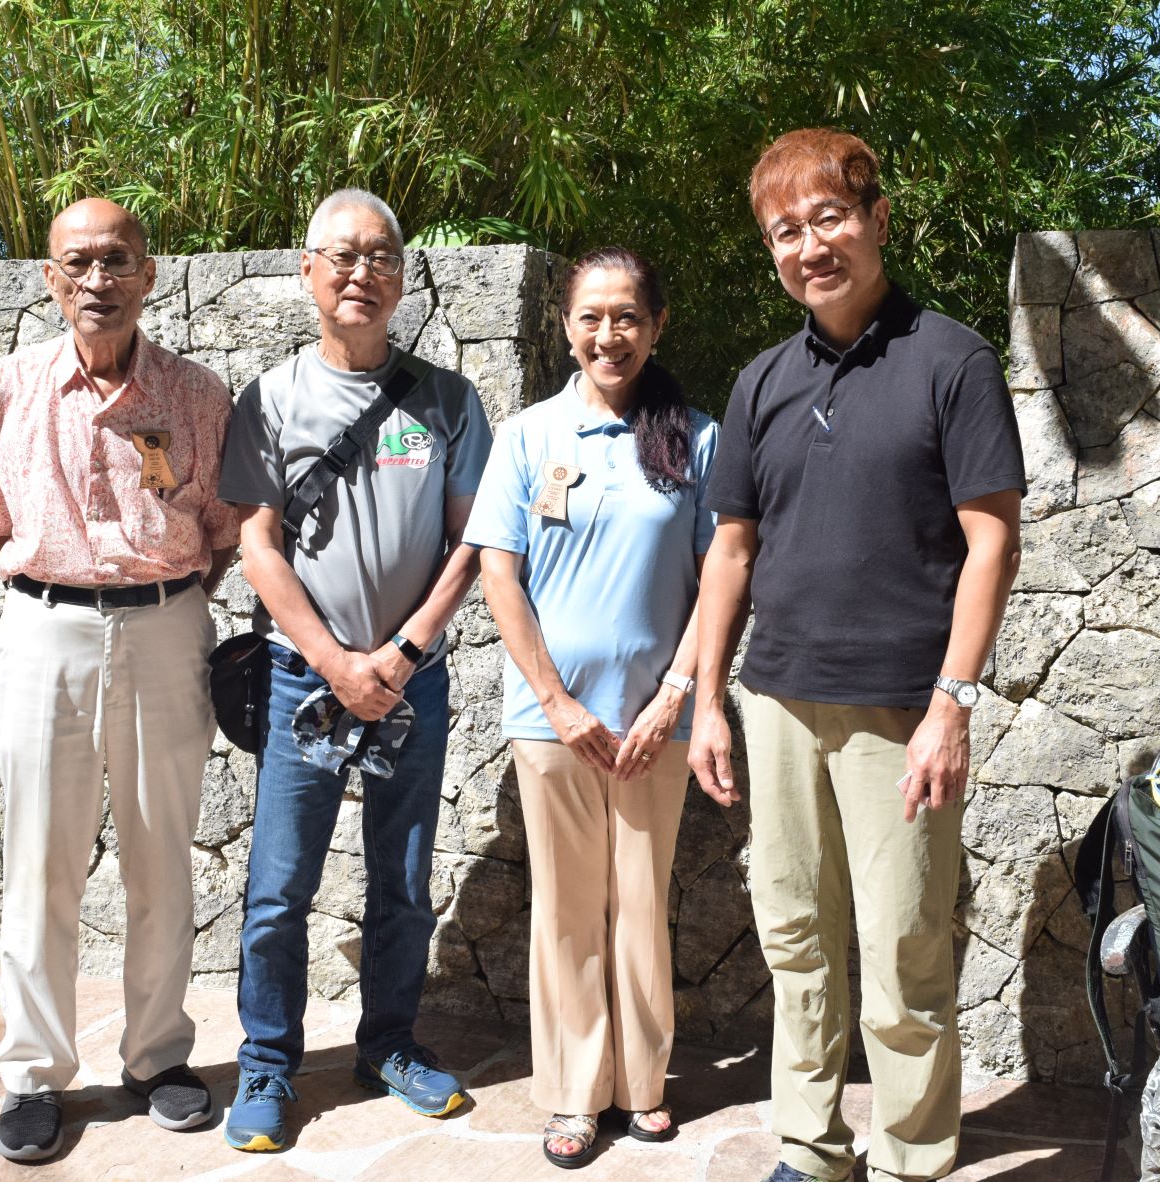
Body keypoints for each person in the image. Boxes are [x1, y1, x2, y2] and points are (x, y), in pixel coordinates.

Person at [688, 129, 1024, 1182]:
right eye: (787, 230)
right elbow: (730, 551)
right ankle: (811, 1150)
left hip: (899, 716)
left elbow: (992, 539)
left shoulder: (953, 359)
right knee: (794, 944)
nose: (810, 244)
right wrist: (707, 700)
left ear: (878, 220)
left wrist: (952, 703)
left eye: (830, 217)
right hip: (779, 704)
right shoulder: (761, 382)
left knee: (906, 957)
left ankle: (913, 1160)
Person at [0, 198, 240, 1162]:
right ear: (48, 278)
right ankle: (34, 1072)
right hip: (44, 631)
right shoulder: (1, 390)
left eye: (116, 260)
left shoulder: (200, 396)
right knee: (39, 863)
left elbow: (222, 532)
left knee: (164, 857)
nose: (97, 281)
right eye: (76, 263)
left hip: (167, 630)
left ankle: (158, 1056)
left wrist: (157, 599)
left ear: (149, 273)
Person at [217, 188, 492, 1151]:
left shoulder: (449, 401)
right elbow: (256, 545)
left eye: (379, 256)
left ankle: (388, 1044)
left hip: (413, 678)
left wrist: (403, 653)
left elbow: (471, 544)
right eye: (340, 255)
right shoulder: (271, 398)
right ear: (306, 272)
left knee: (404, 880)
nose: (359, 272)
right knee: (279, 886)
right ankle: (266, 1065)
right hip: (304, 680)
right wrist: (337, 663)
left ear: (403, 275)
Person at [465, 247, 718, 1168]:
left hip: (656, 723)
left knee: (641, 904)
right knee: (567, 910)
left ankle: (642, 1082)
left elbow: (719, 585)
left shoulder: (696, 437)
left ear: (654, 327)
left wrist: (675, 697)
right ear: (565, 329)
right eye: (590, 317)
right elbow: (499, 572)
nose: (608, 334)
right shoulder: (528, 436)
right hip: (553, 725)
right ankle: (574, 1093)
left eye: (626, 317)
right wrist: (556, 701)